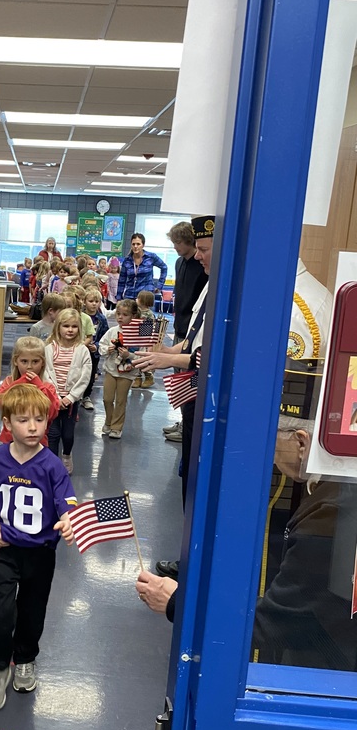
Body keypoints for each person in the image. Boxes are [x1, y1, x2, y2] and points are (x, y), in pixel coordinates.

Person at [136, 361, 357, 730]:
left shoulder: (334, 516)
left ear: (303, 441)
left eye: (274, 444)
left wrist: (177, 603)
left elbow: (278, 620)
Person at [0, 383, 76, 710]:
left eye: (39, 420)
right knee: (0, 613)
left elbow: (68, 500)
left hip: (40, 553)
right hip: (2, 549)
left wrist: (69, 519)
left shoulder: (53, 466)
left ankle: (26, 658)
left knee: (32, 612)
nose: (32, 427)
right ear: (7, 423)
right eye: (23, 420)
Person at [132, 216, 214, 515]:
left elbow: (210, 354)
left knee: (195, 458)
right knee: (189, 461)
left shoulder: (214, 283)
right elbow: (194, 333)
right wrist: (170, 349)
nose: (198, 255)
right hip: (186, 351)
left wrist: (169, 358)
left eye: (203, 249)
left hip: (202, 384)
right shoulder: (204, 280)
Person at [161, 220, 209, 441]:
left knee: (191, 379)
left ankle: (188, 423)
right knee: (180, 378)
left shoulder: (202, 267)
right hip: (180, 326)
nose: (176, 247)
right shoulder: (179, 263)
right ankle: (183, 419)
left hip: (195, 330)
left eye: (178, 242)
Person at [44, 308, 92, 472]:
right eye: (66, 326)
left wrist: (71, 397)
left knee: (68, 434)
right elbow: (45, 374)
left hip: (71, 400)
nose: (70, 330)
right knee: (53, 433)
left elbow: (85, 376)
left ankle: (66, 455)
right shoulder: (50, 348)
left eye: (74, 326)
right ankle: (52, 464)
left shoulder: (82, 350)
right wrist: (56, 397)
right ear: (58, 327)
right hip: (53, 399)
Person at [0, 336, 60, 445]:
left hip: (36, 442)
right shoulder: (8, 382)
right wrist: (20, 382)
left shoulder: (47, 387)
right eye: (24, 361)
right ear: (16, 361)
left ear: (43, 362)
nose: (29, 367)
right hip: (10, 440)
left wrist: (39, 386)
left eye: (35, 361)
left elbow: (52, 412)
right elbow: (2, 404)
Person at [98, 299, 141, 439]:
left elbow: (143, 354)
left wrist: (130, 355)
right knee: (107, 398)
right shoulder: (112, 331)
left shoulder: (139, 334)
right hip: (111, 369)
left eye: (125, 314)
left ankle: (117, 427)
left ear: (133, 316)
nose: (120, 317)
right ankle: (108, 421)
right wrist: (107, 350)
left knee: (121, 400)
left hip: (127, 373)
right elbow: (101, 346)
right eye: (118, 314)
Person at [80, 288, 109, 411]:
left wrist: (96, 345)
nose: (94, 304)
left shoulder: (101, 319)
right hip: (79, 350)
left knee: (91, 375)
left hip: (93, 353)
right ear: (84, 302)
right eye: (91, 301)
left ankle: (86, 396)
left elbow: (105, 336)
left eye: (97, 301)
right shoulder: (79, 316)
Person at [116, 233, 168, 301]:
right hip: (130, 295)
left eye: (138, 244)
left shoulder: (151, 257)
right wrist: (119, 298)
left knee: (144, 312)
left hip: (146, 296)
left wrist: (159, 285)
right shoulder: (127, 260)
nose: (135, 246)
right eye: (133, 244)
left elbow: (164, 267)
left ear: (143, 245)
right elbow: (122, 280)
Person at [133, 290, 156, 389]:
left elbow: (149, 329)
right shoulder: (135, 311)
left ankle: (148, 376)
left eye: (138, 298)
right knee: (135, 358)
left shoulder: (149, 314)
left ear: (142, 300)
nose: (136, 299)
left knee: (143, 359)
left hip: (144, 340)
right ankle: (137, 377)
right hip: (135, 338)